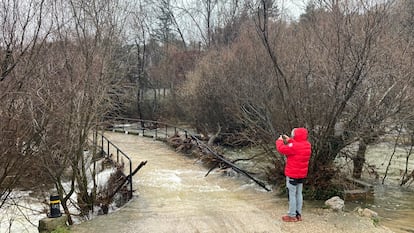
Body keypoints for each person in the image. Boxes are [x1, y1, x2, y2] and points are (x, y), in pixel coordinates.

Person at [276, 127, 311, 222]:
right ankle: (298, 214)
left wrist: (279, 141)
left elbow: (282, 149)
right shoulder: (307, 145)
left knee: (291, 194)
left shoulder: (294, 146)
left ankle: (291, 215)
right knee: (299, 193)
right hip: (302, 174)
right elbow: (295, 144)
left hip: (292, 174)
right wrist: (289, 140)